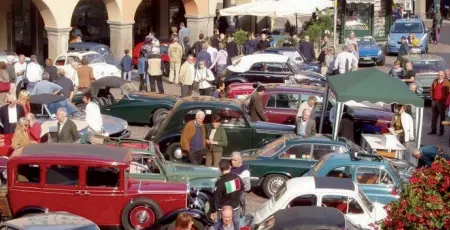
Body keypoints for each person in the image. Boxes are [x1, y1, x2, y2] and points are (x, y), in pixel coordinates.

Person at [210, 160, 244, 228]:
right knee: (236, 225)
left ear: (220, 169)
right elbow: (242, 189)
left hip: (224, 211)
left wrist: (213, 211)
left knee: (222, 227)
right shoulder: (236, 178)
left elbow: (216, 198)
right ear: (230, 167)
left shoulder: (220, 182)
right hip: (235, 208)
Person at [230, 151, 251, 216]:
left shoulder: (244, 171)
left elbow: (247, 187)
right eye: (232, 160)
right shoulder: (230, 167)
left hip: (238, 199)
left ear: (240, 160)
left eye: (235, 160)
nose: (232, 162)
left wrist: (230, 186)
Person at [429, 70, 449, 136]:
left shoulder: (446, 82)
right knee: (434, 116)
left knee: (442, 117)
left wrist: (444, 99)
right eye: (439, 75)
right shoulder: (435, 81)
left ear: (444, 75)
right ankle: (433, 130)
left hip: (441, 101)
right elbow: (431, 89)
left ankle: (441, 131)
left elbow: (448, 92)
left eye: (441, 75)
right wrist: (432, 96)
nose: (440, 76)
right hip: (434, 100)